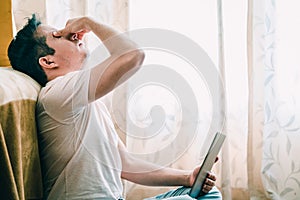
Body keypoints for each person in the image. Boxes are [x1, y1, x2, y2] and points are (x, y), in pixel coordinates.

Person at [8, 14, 222, 200]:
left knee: (209, 194)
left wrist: (188, 177)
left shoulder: (82, 100)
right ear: (48, 62)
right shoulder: (57, 93)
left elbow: (124, 163)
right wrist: (88, 22)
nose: (71, 34)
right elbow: (132, 56)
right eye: (58, 35)